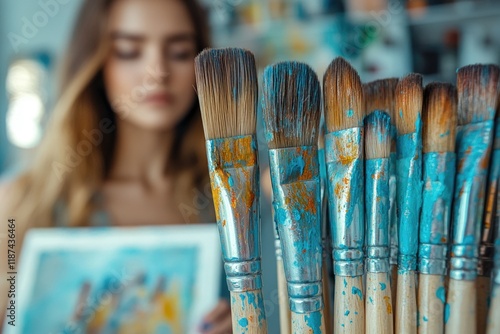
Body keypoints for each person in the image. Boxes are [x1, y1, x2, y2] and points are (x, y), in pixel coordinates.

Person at [0, 0, 232, 332]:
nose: (158, 72)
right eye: (128, 51)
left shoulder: (231, 201)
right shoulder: (18, 202)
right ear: (95, 62)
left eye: (180, 52)